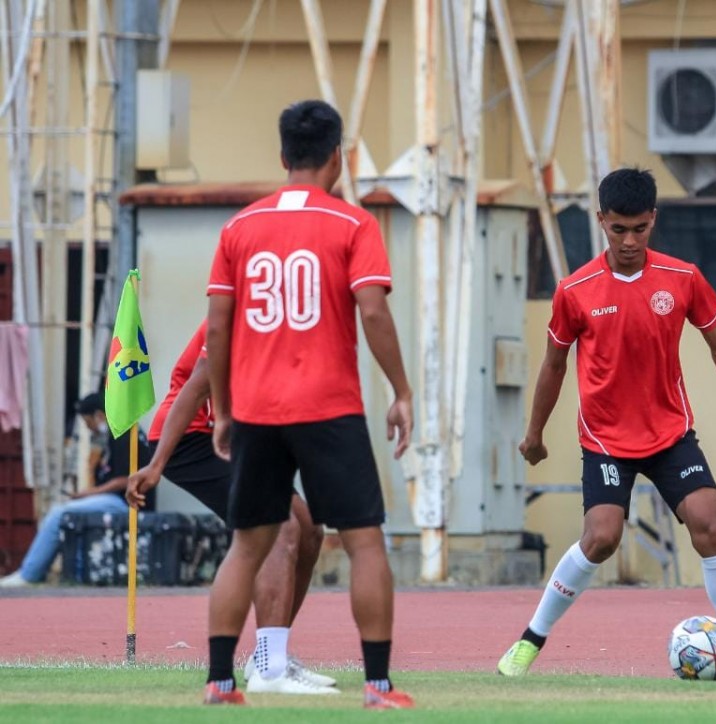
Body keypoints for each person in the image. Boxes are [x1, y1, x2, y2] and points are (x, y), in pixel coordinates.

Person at [496, 168, 716, 682]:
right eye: (618, 230)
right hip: (607, 441)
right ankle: (528, 642)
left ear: (653, 219)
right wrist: (535, 432)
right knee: (602, 538)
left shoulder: (682, 278)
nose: (629, 241)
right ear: (601, 221)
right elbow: (553, 365)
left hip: (670, 434)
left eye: (639, 229)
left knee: (709, 523)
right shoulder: (575, 290)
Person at [201, 99, 415, 709]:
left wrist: (224, 407)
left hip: (258, 409)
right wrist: (401, 391)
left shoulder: (238, 228)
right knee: (365, 541)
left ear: (282, 157)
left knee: (245, 546)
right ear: (338, 158)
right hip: (328, 406)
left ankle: (221, 683)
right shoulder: (352, 225)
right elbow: (372, 309)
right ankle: (378, 687)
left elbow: (218, 327)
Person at [126, 321, 336, 694]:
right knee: (280, 526)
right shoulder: (243, 308)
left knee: (309, 529)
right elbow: (195, 387)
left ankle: (270, 655)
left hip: (241, 438)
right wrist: (156, 463)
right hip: (191, 440)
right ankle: (270, 672)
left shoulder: (304, 317)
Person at [0, 392, 150, 587]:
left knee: (59, 513)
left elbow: (125, 480)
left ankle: (29, 574)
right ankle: (51, 571)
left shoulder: (124, 434)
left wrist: (89, 493)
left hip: (125, 501)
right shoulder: (113, 437)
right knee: (66, 512)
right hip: (116, 500)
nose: (88, 428)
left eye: (88, 422)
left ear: (99, 415)